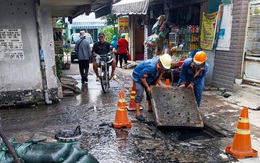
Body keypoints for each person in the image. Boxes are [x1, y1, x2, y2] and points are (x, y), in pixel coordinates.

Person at [132, 54, 172, 121]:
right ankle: (137, 113)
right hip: (138, 77)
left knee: (151, 91)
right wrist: (147, 87)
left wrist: (162, 86)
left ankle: (150, 107)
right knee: (140, 92)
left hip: (148, 77)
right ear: (159, 64)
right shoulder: (151, 67)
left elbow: (158, 78)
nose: (164, 70)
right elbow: (142, 76)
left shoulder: (160, 68)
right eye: (163, 69)